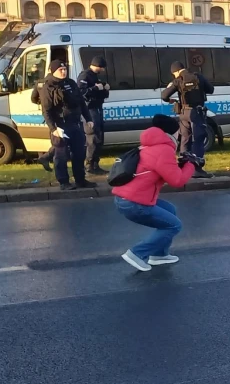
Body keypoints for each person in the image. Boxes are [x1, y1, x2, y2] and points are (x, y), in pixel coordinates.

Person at [112, 114, 196, 272]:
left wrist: (181, 164)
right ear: (172, 134)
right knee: (174, 225)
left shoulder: (149, 146)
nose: (180, 135)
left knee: (169, 210)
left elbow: (161, 170)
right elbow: (177, 181)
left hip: (124, 199)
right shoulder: (164, 150)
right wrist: (191, 165)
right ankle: (137, 253)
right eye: (178, 132)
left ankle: (159, 255)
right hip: (135, 203)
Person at [40, 59, 96, 191]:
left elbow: (81, 102)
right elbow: (46, 110)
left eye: (65, 69)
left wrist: (88, 118)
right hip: (60, 126)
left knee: (79, 153)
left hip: (75, 123)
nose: (64, 72)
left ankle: (80, 180)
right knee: (61, 155)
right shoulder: (48, 87)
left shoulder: (70, 83)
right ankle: (64, 182)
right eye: (60, 70)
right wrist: (53, 128)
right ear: (53, 71)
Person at [161, 60, 214, 178]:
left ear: (175, 71)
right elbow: (211, 89)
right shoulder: (198, 77)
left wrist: (170, 100)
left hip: (184, 112)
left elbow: (164, 95)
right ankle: (197, 168)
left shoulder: (177, 80)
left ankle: (184, 167)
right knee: (199, 138)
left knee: (185, 138)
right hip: (197, 112)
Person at [77, 56, 111, 175]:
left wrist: (105, 88)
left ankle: (95, 164)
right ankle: (89, 165)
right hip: (90, 109)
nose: (103, 70)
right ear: (97, 66)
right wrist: (95, 88)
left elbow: (99, 91)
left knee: (99, 136)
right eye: (101, 68)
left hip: (97, 107)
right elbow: (81, 93)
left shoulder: (95, 76)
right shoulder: (85, 76)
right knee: (93, 136)